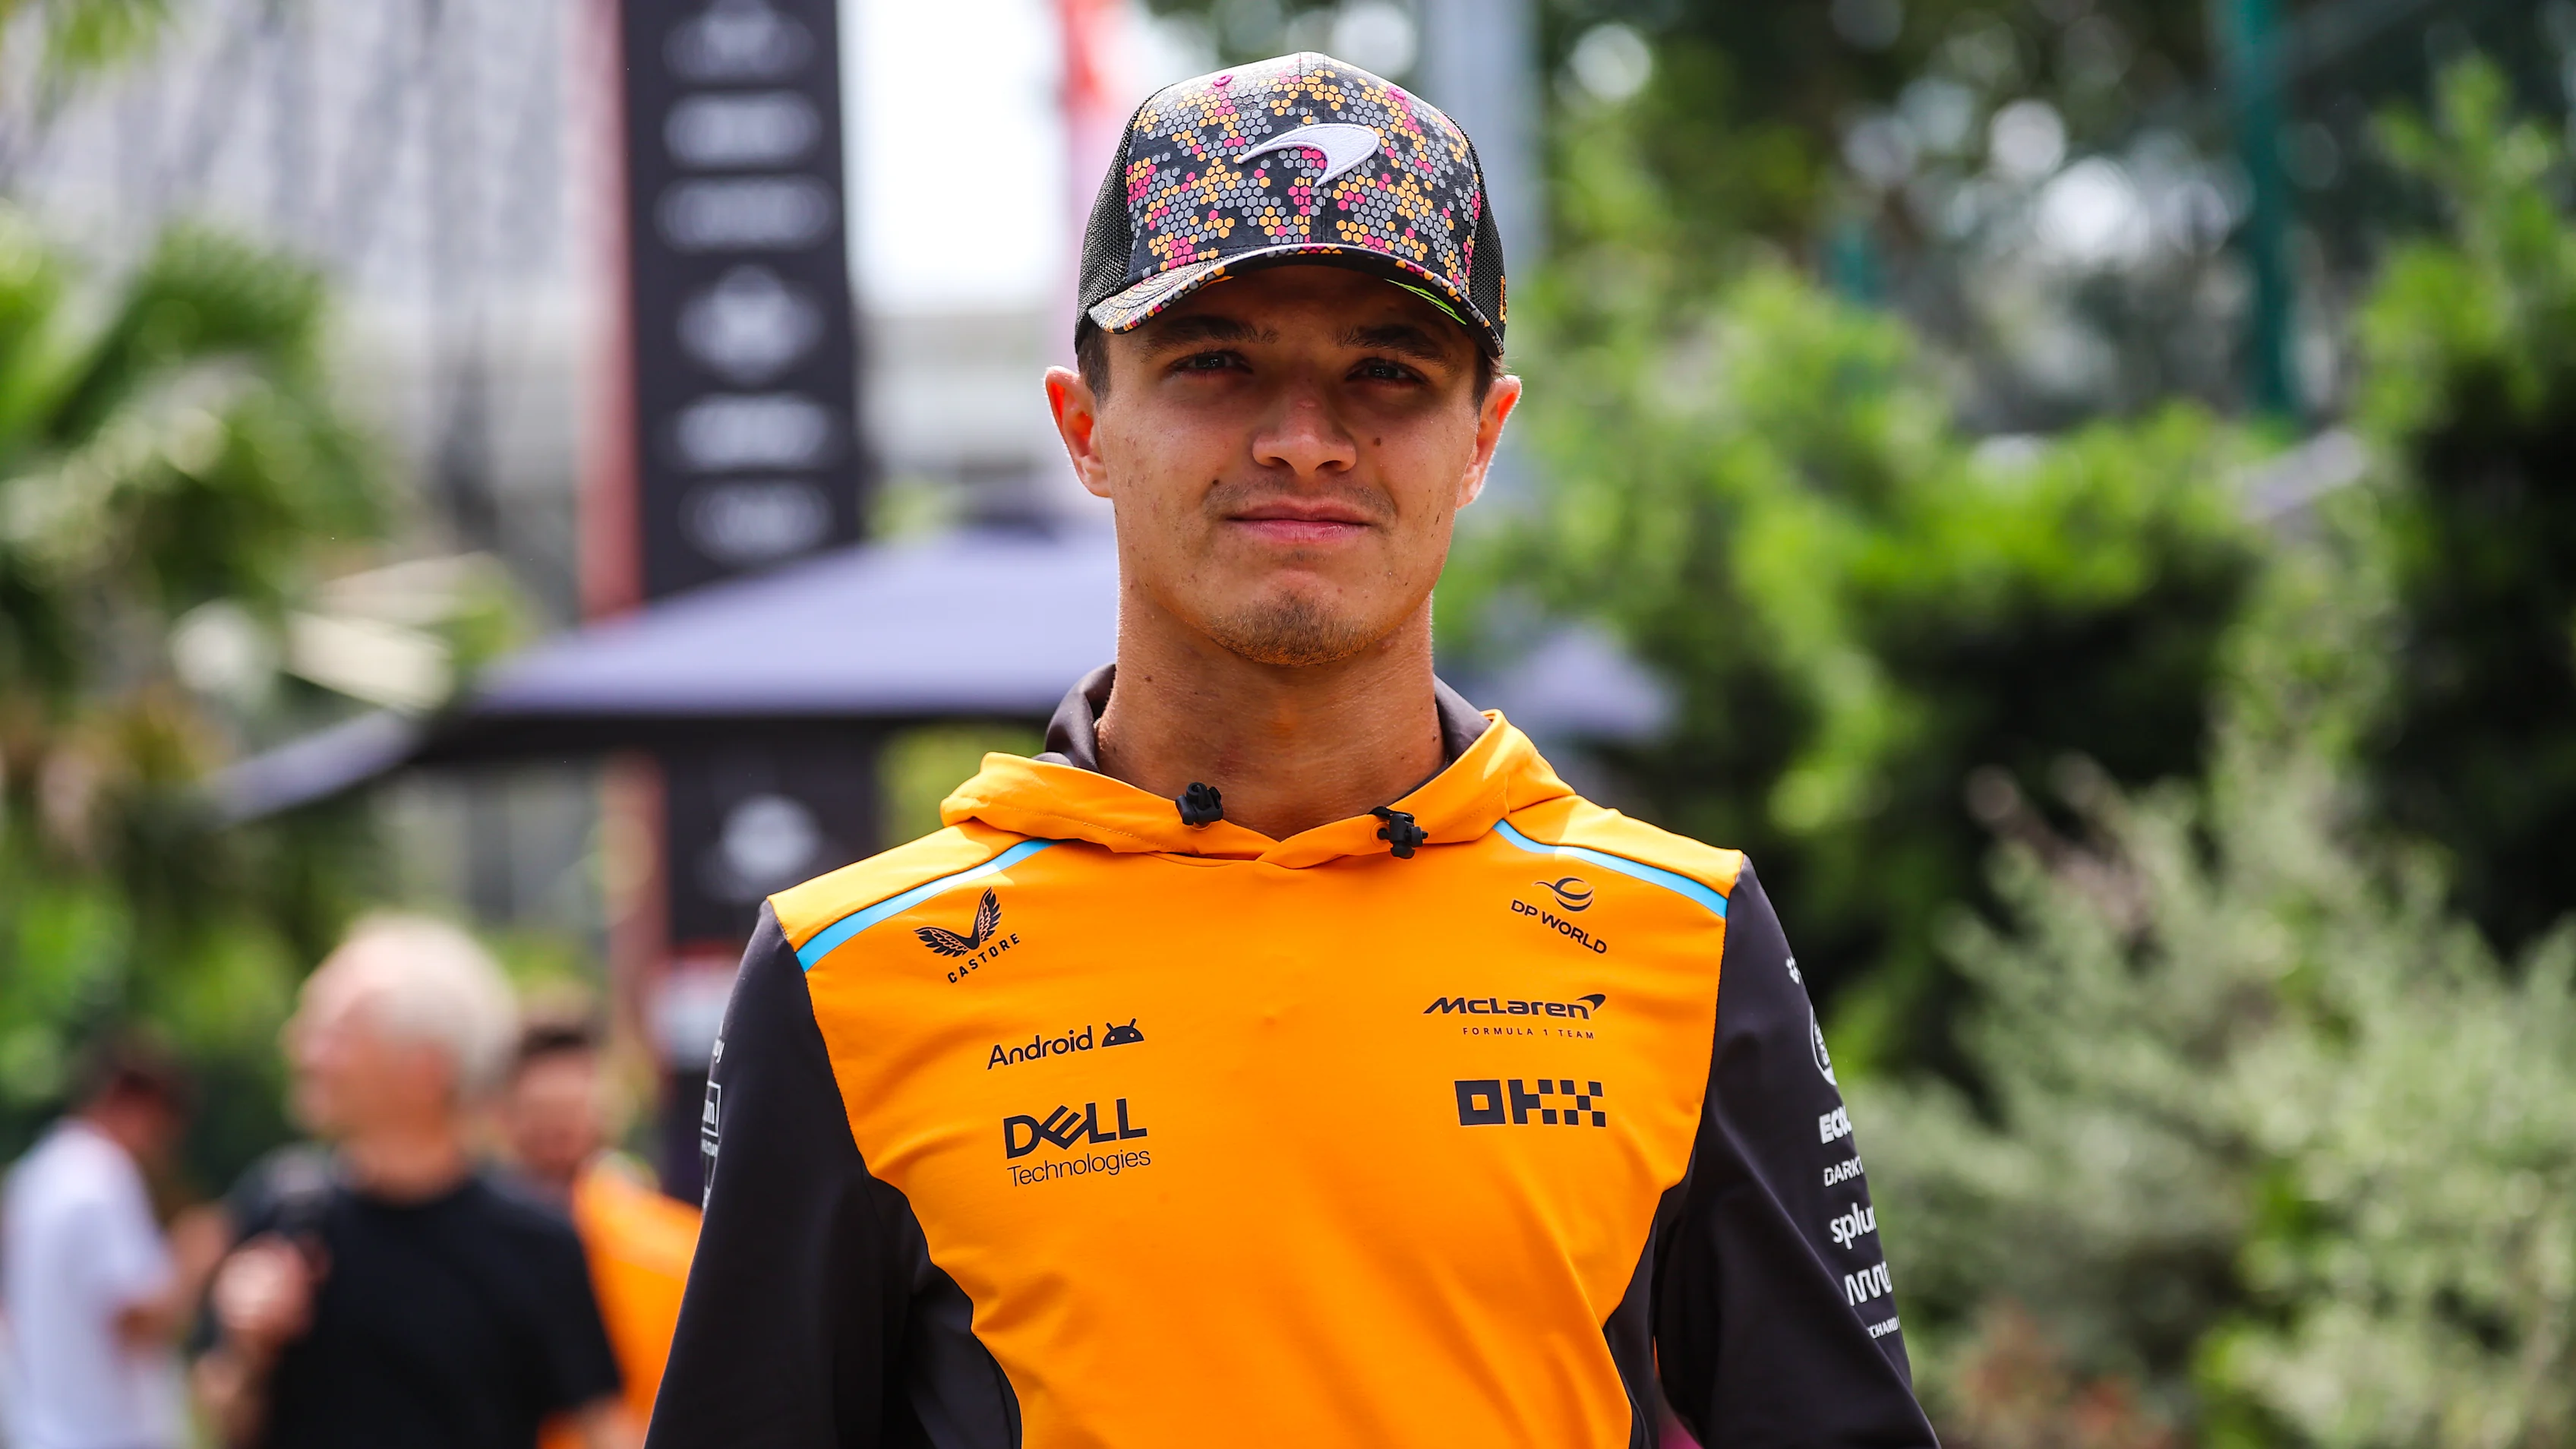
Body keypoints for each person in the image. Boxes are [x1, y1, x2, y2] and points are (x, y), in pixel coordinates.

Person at [649, 52, 1934, 1448]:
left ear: (1482, 441)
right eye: (1217, 362)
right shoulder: (850, 977)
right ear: (1084, 427)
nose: (1305, 440)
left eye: (1387, 370)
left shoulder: (1678, 937)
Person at [192, 915, 628, 1449]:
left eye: (332, 1034)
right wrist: (246, 1350)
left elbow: (606, 1431)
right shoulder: (284, 1209)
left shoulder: (537, 1244)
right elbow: (223, 1422)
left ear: (425, 1068)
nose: (301, 1048)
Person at [2, 1038, 223, 1449]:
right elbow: (136, 1322)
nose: (163, 1151)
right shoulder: (103, 1178)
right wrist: (193, 1259)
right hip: (111, 1435)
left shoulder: (34, 1175)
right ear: (136, 1105)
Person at [498, 1017, 699, 1444]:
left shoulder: (675, 1252)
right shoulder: (474, 1248)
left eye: (569, 1113)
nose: (554, 1134)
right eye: (539, 1114)